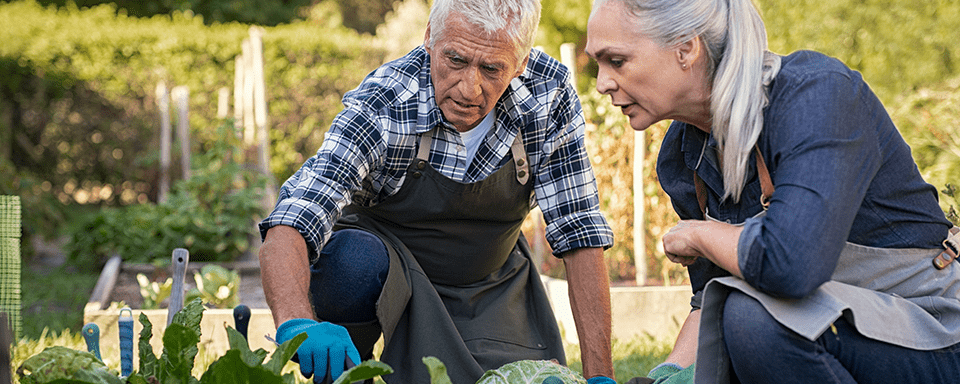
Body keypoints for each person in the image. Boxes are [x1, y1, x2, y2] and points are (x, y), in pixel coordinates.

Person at [585, 0, 960, 383]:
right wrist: (666, 374)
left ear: (686, 48)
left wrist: (701, 233)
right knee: (737, 319)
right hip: (828, 329)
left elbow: (790, 265)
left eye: (616, 61)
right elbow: (711, 301)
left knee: (752, 319)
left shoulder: (816, 96)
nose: (601, 84)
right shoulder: (683, 158)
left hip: (931, 327)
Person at [258, 0, 618, 383]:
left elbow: (578, 230)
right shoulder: (386, 103)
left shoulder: (550, 94)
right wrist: (296, 322)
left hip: (489, 280)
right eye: (456, 60)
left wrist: (601, 376)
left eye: (492, 68)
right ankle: (349, 371)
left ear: (521, 62)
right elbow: (296, 216)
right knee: (351, 263)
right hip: (390, 271)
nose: (469, 88)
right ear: (430, 37)